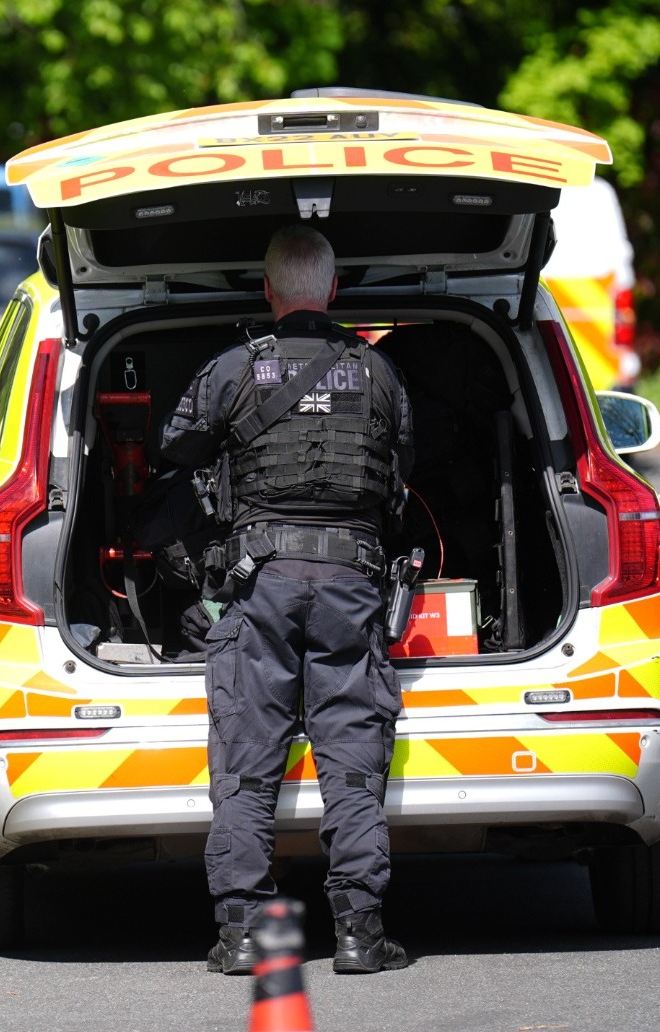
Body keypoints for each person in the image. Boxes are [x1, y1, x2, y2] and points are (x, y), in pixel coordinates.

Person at [159, 224, 415, 975]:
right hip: (351, 585)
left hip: (259, 585)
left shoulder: (232, 369)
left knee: (245, 762)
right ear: (333, 290)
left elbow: (177, 447)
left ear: (267, 291)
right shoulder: (381, 374)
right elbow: (404, 470)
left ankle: (241, 935)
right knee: (353, 759)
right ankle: (362, 935)